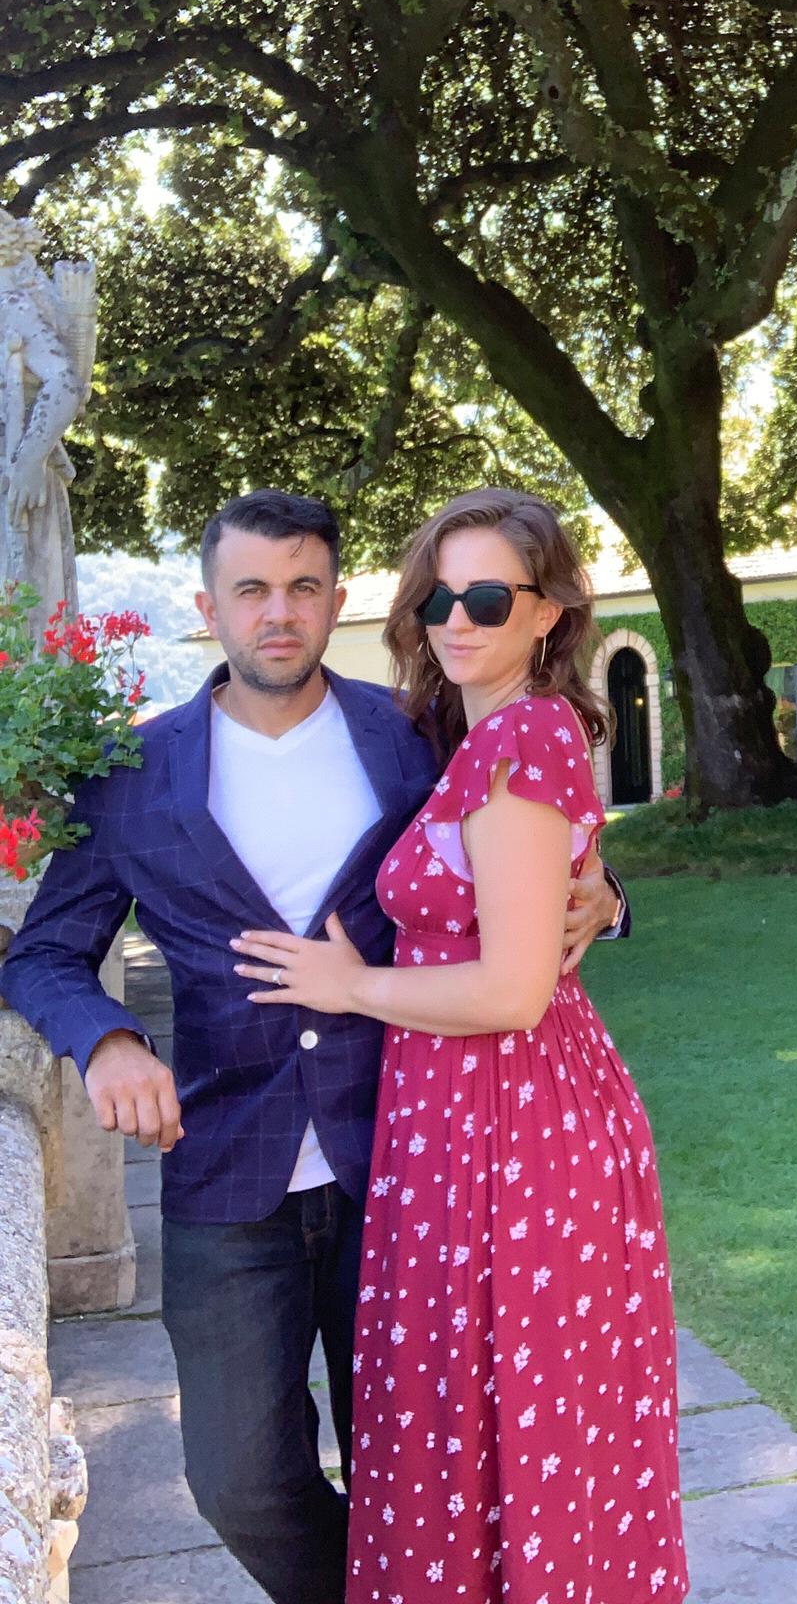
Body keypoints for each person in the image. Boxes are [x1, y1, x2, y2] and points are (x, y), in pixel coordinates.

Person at [0, 489, 629, 1604]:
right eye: (250, 590)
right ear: (209, 609)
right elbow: (42, 953)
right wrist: (107, 1042)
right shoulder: (132, 772)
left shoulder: (420, 734)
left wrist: (610, 896)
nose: (278, 612)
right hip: (226, 1169)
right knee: (240, 1482)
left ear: (339, 602)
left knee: (428, 1474)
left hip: (409, 1162)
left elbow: (528, 841)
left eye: (303, 587)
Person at [232, 488, 689, 1604]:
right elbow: (538, 885)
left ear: (550, 610)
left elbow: (514, 990)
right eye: (438, 598)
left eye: (488, 597)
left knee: (517, 1429)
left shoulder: (524, 735)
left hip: (513, 1126)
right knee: (470, 1425)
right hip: (461, 1116)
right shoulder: (467, 732)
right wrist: (602, 890)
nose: (457, 619)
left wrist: (350, 984)